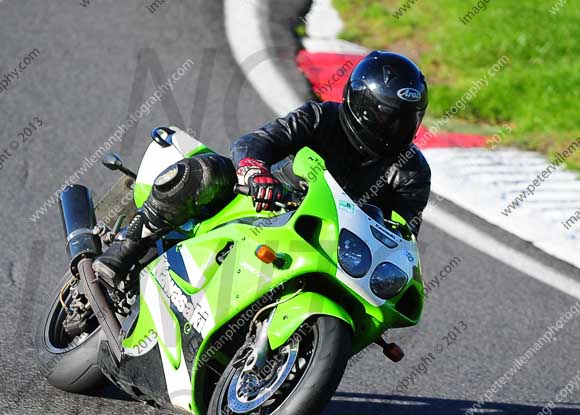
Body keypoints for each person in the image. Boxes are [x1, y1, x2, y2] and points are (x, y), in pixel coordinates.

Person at [92, 50, 431, 288]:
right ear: (362, 105)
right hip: (265, 203)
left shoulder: (411, 171)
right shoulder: (320, 117)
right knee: (211, 171)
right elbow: (258, 142)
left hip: (325, 244)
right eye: (387, 116)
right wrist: (256, 173)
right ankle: (126, 249)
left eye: (406, 120)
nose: (395, 128)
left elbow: (403, 233)